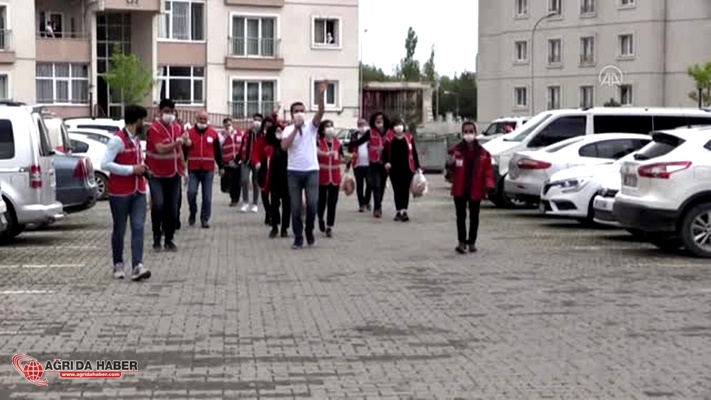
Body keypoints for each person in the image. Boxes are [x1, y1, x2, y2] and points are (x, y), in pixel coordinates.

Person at [101, 105, 151, 281]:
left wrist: (143, 172)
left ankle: (138, 265)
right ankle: (118, 263)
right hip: (120, 193)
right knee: (120, 229)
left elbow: (137, 163)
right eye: (143, 120)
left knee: (138, 227)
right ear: (136, 121)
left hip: (138, 191)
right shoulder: (117, 140)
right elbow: (105, 164)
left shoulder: (136, 140)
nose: (144, 124)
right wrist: (131, 169)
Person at [280, 81, 327, 249]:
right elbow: (284, 146)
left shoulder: (311, 127)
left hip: (311, 171)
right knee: (295, 207)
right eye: (296, 111)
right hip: (293, 172)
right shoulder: (287, 129)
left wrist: (321, 95)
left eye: (301, 110)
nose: (299, 113)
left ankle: (309, 231)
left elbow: (321, 112)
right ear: (292, 114)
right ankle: (298, 237)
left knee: (313, 204)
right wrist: (295, 128)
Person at [145, 98, 187, 251]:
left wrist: (184, 167)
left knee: (172, 208)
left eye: (171, 111)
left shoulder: (177, 127)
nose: (169, 114)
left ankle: (169, 239)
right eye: (166, 111)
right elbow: (160, 149)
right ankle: (157, 237)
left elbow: (181, 149)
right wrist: (178, 142)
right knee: (158, 205)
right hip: (156, 174)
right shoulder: (154, 129)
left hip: (174, 173)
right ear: (160, 112)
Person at [447, 121, 494, 254]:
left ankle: (472, 242)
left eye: (471, 131)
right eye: (466, 132)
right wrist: (450, 163)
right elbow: (449, 169)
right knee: (460, 216)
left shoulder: (483, 153)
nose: (468, 134)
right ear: (462, 134)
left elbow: (488, 171)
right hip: (460, 188)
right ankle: (461, 242)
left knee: (474, 216)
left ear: (475, 133)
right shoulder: (455, 150)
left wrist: (489, 186)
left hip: (475, 188)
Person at [347, 112, 393, 218]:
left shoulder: (390, 133)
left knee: (381, 186)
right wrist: (349, 144)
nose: (379, 121)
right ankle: (377, 208)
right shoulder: (370, 132)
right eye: (377, 119)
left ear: (384, 120)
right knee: (375, 185)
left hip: (385, 164)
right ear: (373, 121)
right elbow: (360, 141)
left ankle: (378, 203)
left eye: (381, 119)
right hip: (373, 163)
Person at [184, 112, 223, 228]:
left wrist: (221, 166)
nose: (202, 120)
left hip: (208, 170)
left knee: (207, 197)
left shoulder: (213, 133)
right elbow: (184, 151)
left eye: (204, 118)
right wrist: (182, 165)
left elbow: (218, 152)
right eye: (200, 118)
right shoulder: (189, 133)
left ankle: (204, 219)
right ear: (196, 119)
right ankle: (193, 211)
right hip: (193, 169)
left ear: (208, 119)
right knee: (191, 193)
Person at [382, 118, 421, 222]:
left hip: (407, 168)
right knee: (397, 190)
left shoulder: (409, 137)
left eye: (400, 124)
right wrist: (386, 162)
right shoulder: (389, 138)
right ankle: (398, 211)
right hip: (394, 169)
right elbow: (384, 152)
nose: (398, 127)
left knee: (405, 189)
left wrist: (418, 166)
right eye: (396, 125)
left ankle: (404, 211)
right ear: (393, 127)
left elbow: (414, 152)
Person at [316, 120, 346, 237]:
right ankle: (320, 218)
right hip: (322, 176)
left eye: (331, 126)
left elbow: (341, 157)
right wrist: (324, 154)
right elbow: (316, 153)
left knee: (332, 202)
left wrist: (347, 159)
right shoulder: (318, 142)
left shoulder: (338, 143)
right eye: (327, 127)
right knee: (321, 201)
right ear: (323, 130)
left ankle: (329, 226)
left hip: (335, 176)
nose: (330, 129)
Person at [260, 125, 290, 238]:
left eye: (280, 131)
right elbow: (264, 166)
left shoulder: (287, 146)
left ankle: (284, 228)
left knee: (287, 203)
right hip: (274, 178)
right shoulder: (269, 148)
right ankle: (275, 226)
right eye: (277, 131)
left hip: (287, 178)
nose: (279, 133)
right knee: (274, 203)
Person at [238, 113, 264, 213]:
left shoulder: (262, 134)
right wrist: (238, 158)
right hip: (246, 160)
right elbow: (242, 146)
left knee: (256, 182)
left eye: (259, 120)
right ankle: (245, 202)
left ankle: (255, 204)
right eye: (255, 120)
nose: (257, 122)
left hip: (257, 162)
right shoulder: (247, 133)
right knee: (244, 180)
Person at [350, 118, 372, 212]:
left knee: (370, 184)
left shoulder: (370, 135)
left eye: (363, 124)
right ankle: (361, 204)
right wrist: (348, 164)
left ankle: (367, 201)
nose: (362, 126)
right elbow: (350, 148)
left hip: (369, 164)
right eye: (359, 124)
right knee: (359, 185)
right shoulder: (354, 136)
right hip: (357, 164)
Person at [220, 117, 242, 207]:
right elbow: (219, 144)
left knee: (237, 181)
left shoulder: (239, 133)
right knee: (231, 181)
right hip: (228, 162)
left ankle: (236, 198)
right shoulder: (221, 135)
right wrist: (226, 135)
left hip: (238, 161)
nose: (228, 127)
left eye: (229, 125)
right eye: (226, 126)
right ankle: (233, 198)